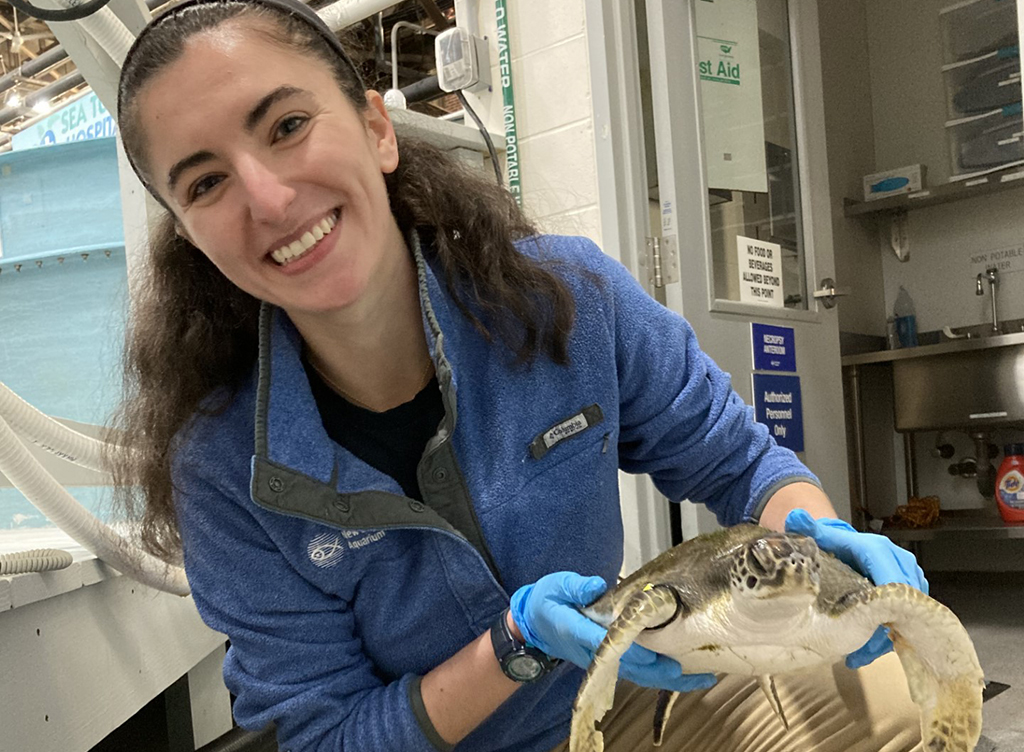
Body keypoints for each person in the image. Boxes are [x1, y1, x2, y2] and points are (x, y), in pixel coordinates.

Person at [109, 1, 928, 750]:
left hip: (623, 705)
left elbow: (744, 465)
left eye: (286, 125)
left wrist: (819, 553)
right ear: (189, 234)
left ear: (377, 130)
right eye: (206, 181)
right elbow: (326, 736)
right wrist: (514, 647)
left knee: (886, 699)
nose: (268, 195)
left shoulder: (568, 299)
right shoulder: (221, 465)